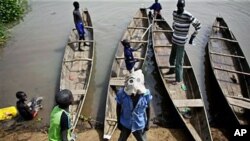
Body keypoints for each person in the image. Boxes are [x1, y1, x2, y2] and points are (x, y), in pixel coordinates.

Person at [166, 0, 201, 86]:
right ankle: (171, 70)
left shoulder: (188, 15)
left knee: (179, 62)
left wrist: (192, 37)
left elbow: (198, 26)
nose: (179, 8)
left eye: (181, 7)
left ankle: (178, 80)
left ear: (183, 7)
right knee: (172, 57)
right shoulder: (174, 12)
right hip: (174, 39)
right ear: (177, 6)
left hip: (181, 42)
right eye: (178, 6)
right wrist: (176, 28)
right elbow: (174, 23)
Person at [116, 69, 152, 141]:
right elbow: (118, 107)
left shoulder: (146, 95)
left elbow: (148, 108)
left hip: (139, 124)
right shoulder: (121, 93)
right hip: (125, 123)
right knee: (122, 139)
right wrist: (118, 121)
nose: (133, 94)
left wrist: (148, 123)